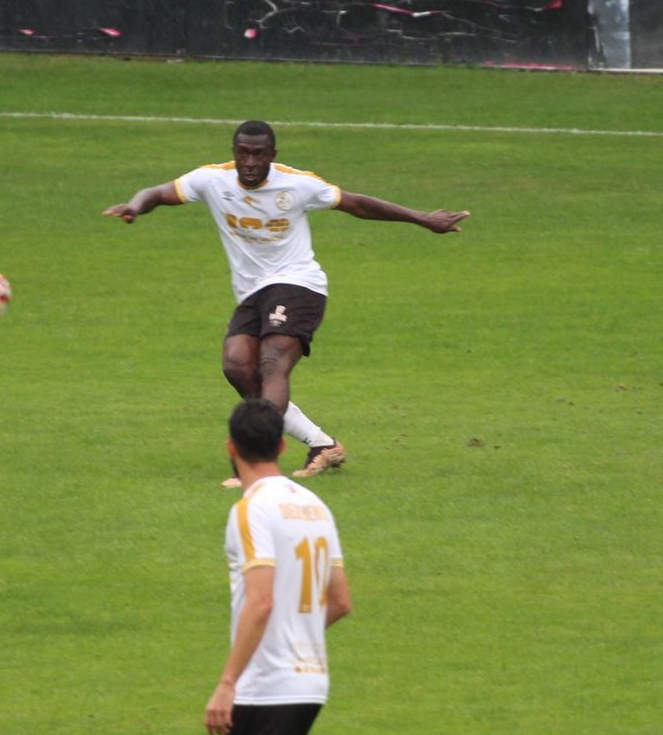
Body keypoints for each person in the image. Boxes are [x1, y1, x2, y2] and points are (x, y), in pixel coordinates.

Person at [104, 120, 470, 485]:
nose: (250, 162)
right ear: (233, 153)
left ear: (272, 156)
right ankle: (321, 444)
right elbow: (158, 192)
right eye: (243, 153)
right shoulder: (211, 179)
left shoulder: (297, 184)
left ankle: (254, 464)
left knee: (272, 362)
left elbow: (357, 204)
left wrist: (423, 219)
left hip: (298, 284)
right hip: (251, 292)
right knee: (237, 367)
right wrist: (135, 206)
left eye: (259, 154)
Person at [205, 398, 352, 735]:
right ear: (283, 445)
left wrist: (227, 682)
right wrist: (299, 636)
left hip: (266, 684)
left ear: (230, 447)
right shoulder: (313, 505)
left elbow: (262, 599)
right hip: (310, 680)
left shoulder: (250, 512)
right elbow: (340, 601)